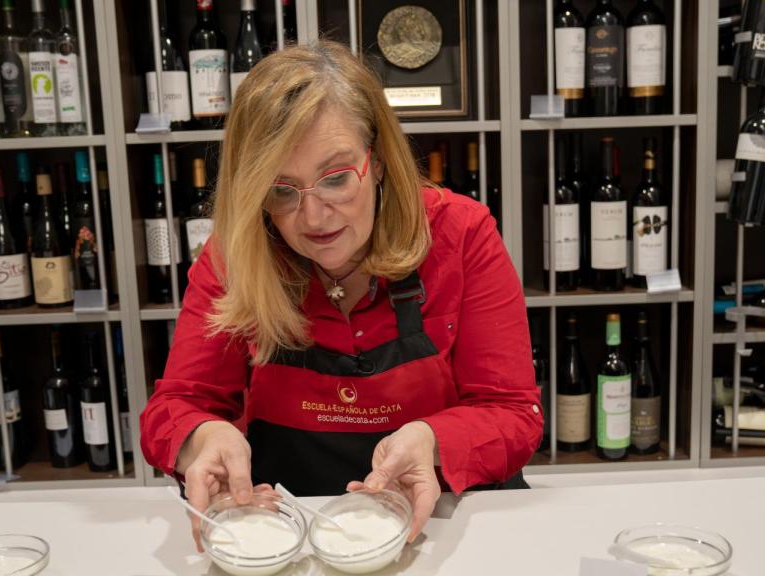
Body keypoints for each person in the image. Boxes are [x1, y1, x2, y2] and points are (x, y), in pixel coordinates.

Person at [140, 41, 542, 551]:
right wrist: (200, 437)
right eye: (281, 190)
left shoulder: (460, 234)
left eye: (335, 178)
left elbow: (513, 414)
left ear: (377, 161)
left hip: (437, 528)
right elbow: (175, 404)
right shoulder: (235, 253)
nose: (314, 218)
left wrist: (434, 441)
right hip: (285, 529)